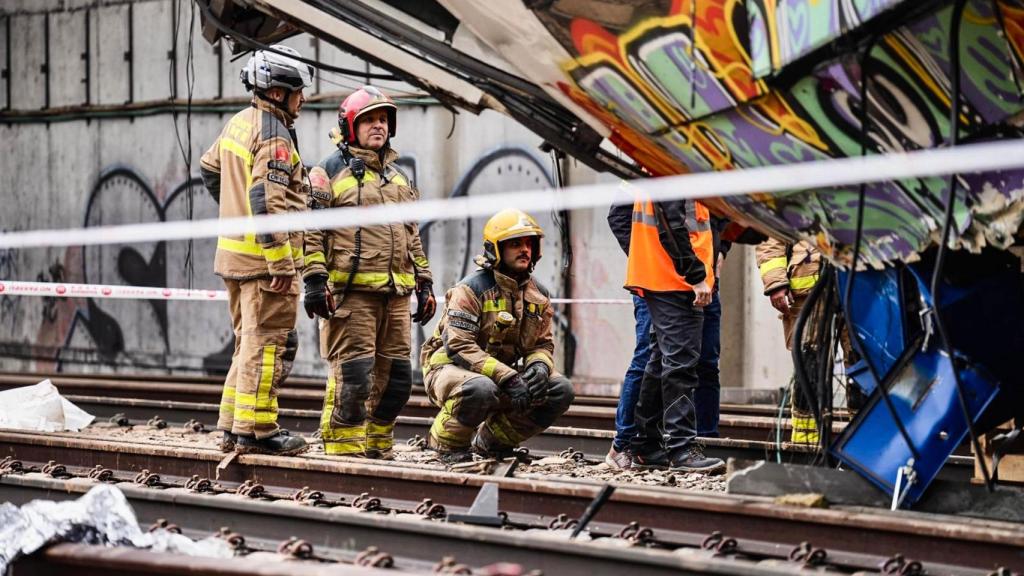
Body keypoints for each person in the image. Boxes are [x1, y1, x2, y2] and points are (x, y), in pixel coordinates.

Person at [302, 86, 435, 459]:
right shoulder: (326, 172)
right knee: (354, 377)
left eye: (383, 120)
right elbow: (311, 231)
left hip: (396, 294)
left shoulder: (398, 179)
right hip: (351, 295)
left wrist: (424, 283)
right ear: (349, 125)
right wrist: (314, 279)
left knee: (397, 383)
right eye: (369, 120)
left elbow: (412, 235)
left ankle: (377, 448)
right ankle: (343, 453)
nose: (379, 126)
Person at [199, 46, 313, 456]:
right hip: (266, 265)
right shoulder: (274, 134)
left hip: (234, 258)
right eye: (298, 91)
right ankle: (258, 430)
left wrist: (234, 209)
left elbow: (209, 169)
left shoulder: (238, 123)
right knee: (267, 346)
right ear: (279, 92)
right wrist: (280, 260)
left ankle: (232, 424)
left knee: (247, 343)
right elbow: (266, 198)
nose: (303, 100)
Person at [421, 209, 575, 464]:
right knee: (480, 388)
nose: (524, 249)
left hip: (502, 375)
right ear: (496, 249)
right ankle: (447, 445)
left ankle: (492, 443)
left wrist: (538, 365)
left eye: (529, 243)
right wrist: (510, 378)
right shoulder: (470, 290)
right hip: (449, 369)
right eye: (515, 244)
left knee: (560, 389)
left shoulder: (539, 295)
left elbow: (542, 343)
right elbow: (459, 346)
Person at [624, 193, 725, 473]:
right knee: (681, 363)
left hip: (666, 277)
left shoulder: (664, 165)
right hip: (676, 279)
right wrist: (695, 275)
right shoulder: (673, 168)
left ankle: (646, 446)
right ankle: (681, 449)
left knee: (661, 361)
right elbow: (671, 222)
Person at [755, 237, 822, 443]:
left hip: (857, 287)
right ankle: (805, 443)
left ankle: (863, 448)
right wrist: (776, 283)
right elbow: (769, 235)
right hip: (805, 294)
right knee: (808, 366)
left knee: (860, 368)